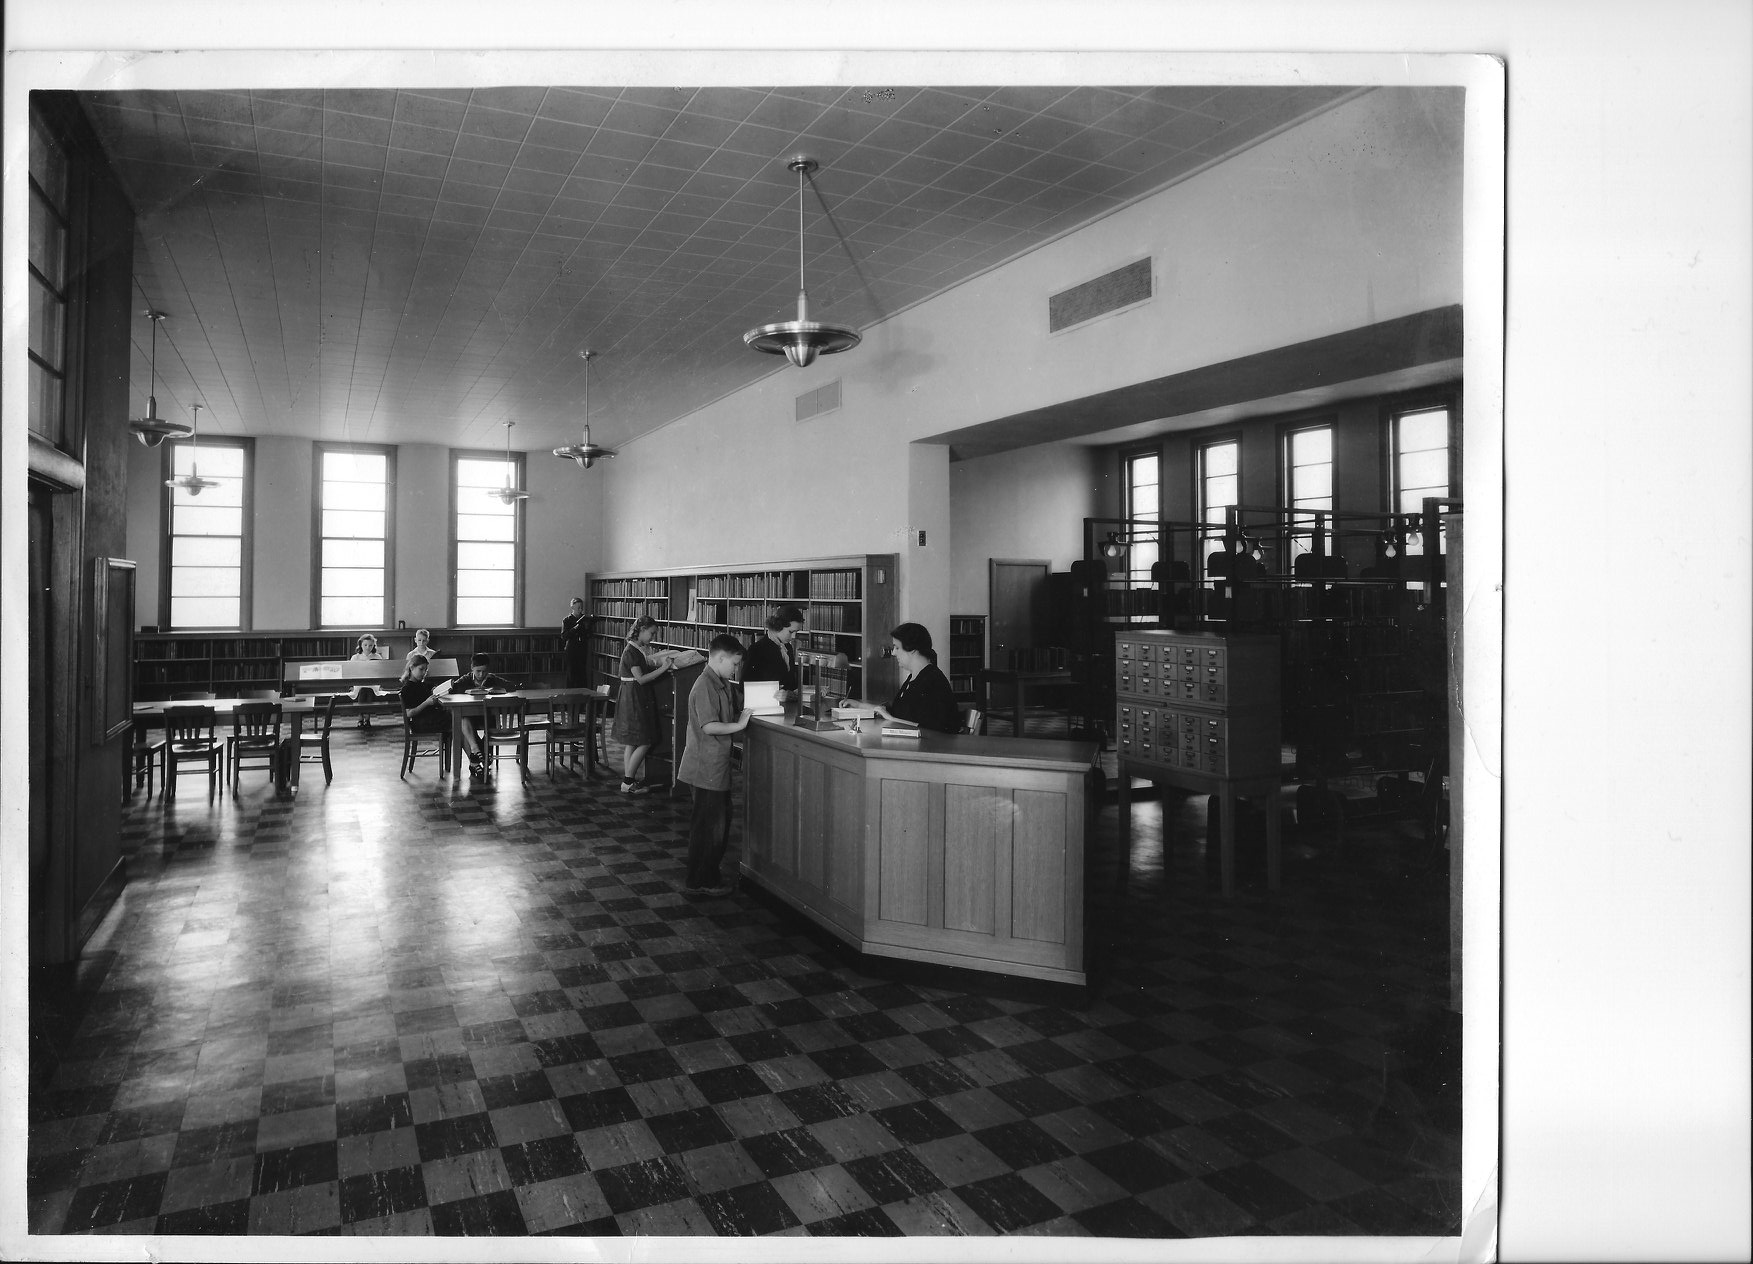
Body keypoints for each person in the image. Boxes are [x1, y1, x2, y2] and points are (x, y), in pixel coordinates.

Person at [677, 634, 752, 896]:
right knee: (710, 827)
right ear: (720, 658)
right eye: (734, 664)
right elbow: (709, 726)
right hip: (704, 767)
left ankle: (706, 877)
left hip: (714, 766)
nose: (735, 669)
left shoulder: (720, 682)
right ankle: (702, 881)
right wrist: (740, 725)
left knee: (716, 824)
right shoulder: (704, 686)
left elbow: (729, 711)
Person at [612, 615, 671, 794]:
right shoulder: (631, 652)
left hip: (633, 696)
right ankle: (628, 781)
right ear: (642, 630)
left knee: (633, 741)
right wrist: (663, 668)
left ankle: (627, 782)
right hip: (634, 697)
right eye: (651, 633)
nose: (653, 637)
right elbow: (641, 679)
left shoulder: (636, 649)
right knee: (644, 741)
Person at [871, 622, 962, 734]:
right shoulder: (915, 677)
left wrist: (891, 719)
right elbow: (901, 712)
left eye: (897, 648)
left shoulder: (932, 681)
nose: (893, 653)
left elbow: (934, 729)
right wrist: (859, 706)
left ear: (912, 648)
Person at [453, 652, 516, 778]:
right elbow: (454, 688)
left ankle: (475, 759)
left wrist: (496, 690)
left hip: (489, 717)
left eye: (484, 671)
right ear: (472, 668)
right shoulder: (466, 678)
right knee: (463, 719)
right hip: (472, 717)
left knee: (478, 729)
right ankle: (477, 750)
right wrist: (466, 691)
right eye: (478, 671)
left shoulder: (492, 678)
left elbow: (511, 686)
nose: (481, 675)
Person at [741, 604, 805, 702]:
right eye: (791, 632)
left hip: (788, 706)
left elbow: (790, 681)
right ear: (777, 626)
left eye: (796, 632)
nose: (794, 637)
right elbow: (744, 686)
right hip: (766, 707)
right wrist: (776, 694)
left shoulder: (788, 647)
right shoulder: (757, 649)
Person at [349, 633, 389, 726]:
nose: (368, 647)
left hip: (373, 683)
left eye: (370, 645)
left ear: (374, 646)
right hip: (360, 683)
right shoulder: (355, 657)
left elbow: (381, 671)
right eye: (365, 645)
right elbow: (351, 671)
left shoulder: (377, 657)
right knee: (362, 692)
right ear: (361, 645)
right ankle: (360, 718)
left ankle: (367, 718)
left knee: (370, 693)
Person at [560, 597, 592, 688]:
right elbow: (564, 636)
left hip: (582, 649)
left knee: (582, 674)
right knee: (571, 674)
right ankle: (570, 698)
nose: (580, 610)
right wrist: (574, 628)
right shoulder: (567, 620)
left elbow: (589, 635)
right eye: (578, 608)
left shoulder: (585, 619)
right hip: (571, 650)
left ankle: (583, 698)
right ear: (572, 608)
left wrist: (588, 627)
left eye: (581, 607)